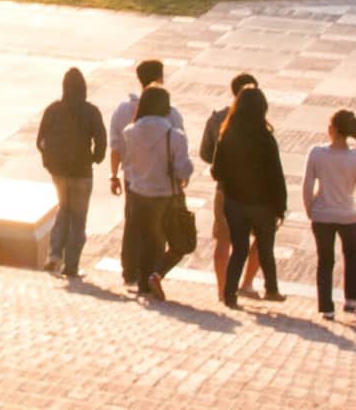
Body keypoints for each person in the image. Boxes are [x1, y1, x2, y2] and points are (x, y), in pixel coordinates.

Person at [109, 59, 187, 289]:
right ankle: (152, 275)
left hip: (134, 179)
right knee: (158, 231)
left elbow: (116, 147)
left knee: (134, 226)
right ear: (161, 78)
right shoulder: (172, 115)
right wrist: (182, 176)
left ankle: (131, 271)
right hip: (164, 183)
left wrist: (114, 175)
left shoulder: (124, 113)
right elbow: (181, 153)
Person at [210, 86, 287, 308]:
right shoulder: (266, 139)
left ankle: (229, 294)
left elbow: (216, 171)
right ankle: (271, 289)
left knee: (239, 249)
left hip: (234, 202)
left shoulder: (227, 135)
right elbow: (276, 175)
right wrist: (280, 207)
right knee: (265, 247)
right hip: (263, 204)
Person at [303, 109, 356, 321]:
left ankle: (326, 307)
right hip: (348, 214)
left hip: (322, 214)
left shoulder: (316, 153)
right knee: (351, 256)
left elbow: (307, 185)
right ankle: (351, 300)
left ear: (334, 129)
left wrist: (310, 208)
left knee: (325, 260)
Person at [36, 67, 106, 280]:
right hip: (81, 171)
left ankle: (55, 254)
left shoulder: (53, 110)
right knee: (78, 219)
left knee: (64, 209)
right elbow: (101, 141)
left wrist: (50, 162)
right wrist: (95, 158)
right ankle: (71, 265)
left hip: (59, 172)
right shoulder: (91, 111)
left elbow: (40, 140)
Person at [202, 73, 264, 298]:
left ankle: (222, 290)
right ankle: (246, 284)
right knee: (261, 237)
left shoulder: (217, 119)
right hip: (255, 192)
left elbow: (206, 154)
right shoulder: (260, 122)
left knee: (223, 240)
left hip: (225, 188)